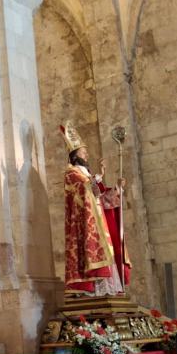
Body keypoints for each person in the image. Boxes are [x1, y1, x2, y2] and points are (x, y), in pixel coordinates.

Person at [61, 121, 130, 296]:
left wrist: (117, 188)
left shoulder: (86, 174)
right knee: (92, 252)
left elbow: (101, 196)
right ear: (75, 155)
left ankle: (108, 289)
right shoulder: (71, 173)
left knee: (107, 251)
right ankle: (92, 289)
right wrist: (96, 178)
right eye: (84, 152)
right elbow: (83, 189)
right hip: (85, 223)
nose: (87, 154)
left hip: (99, 220)